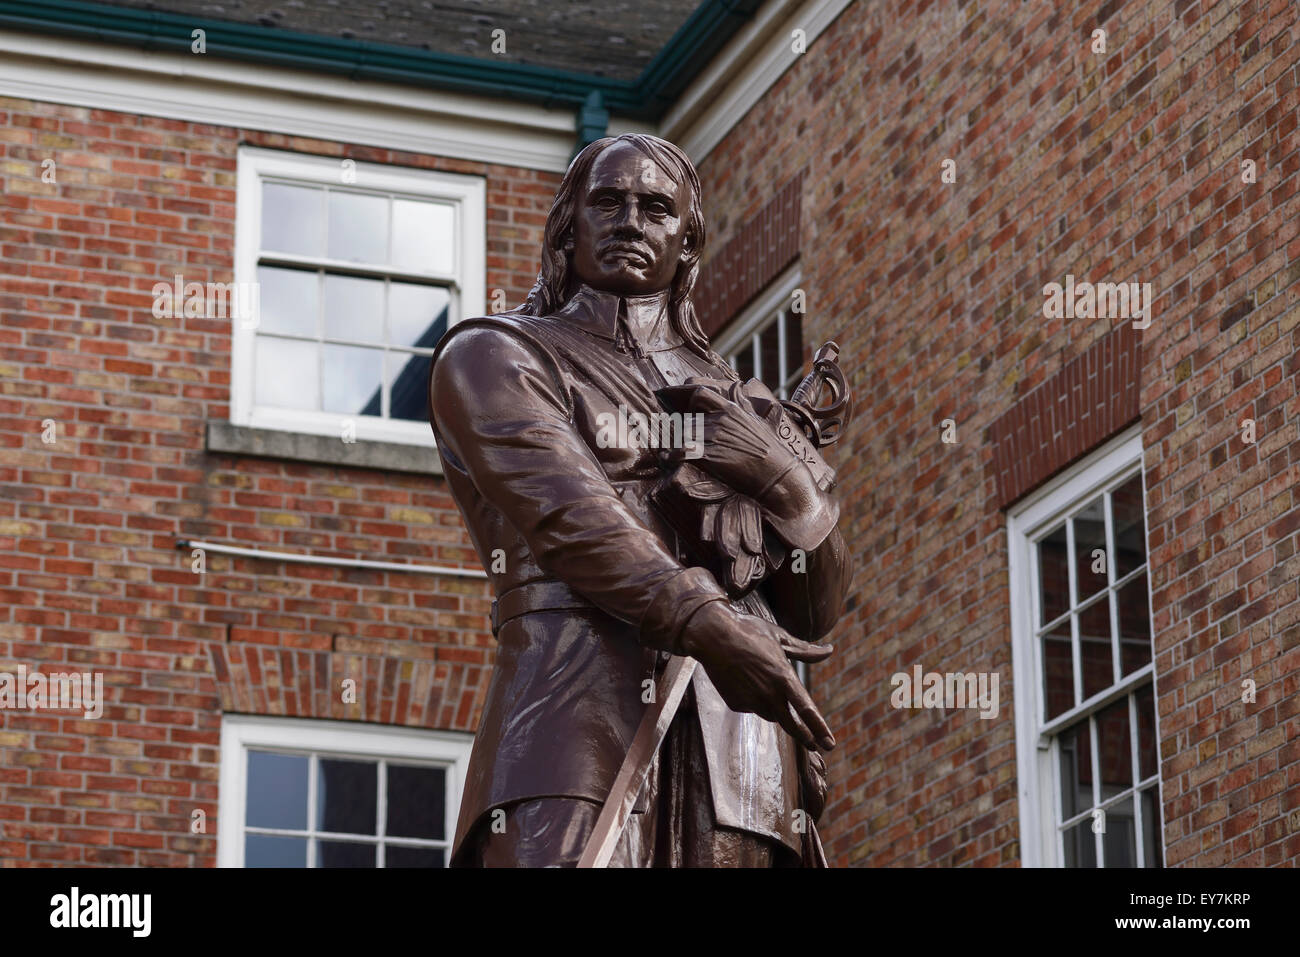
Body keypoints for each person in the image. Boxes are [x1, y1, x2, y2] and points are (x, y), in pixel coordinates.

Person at [428, 133, 851, 867]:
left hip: (743, 759)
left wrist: (780, 476)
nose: (631, 220)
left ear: (686, 242)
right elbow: (573, 518)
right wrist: (708, 622)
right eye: (608, 201)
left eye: (656, 208)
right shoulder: (496, 355)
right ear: (570, 224)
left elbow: (817, 609)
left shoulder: (741, 400)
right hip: (573, 725)